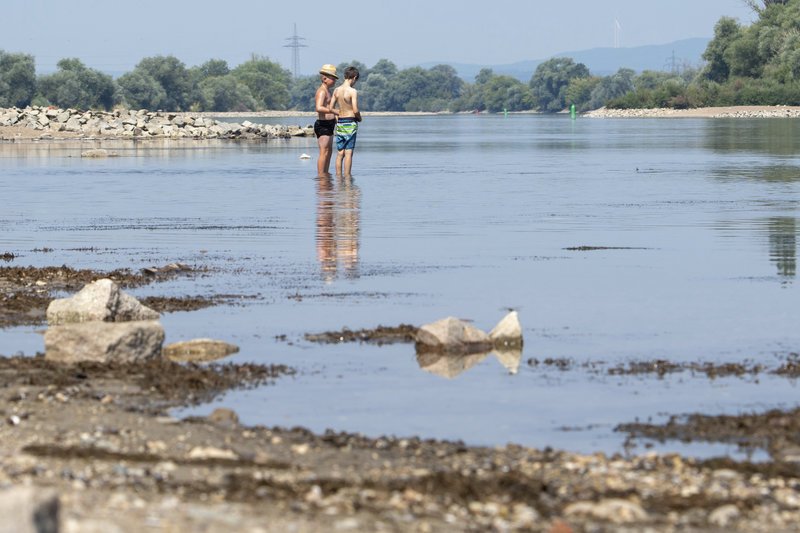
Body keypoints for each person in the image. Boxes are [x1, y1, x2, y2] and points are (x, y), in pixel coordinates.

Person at [329, 66, 362, 178]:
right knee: (348, 153)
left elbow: (330, 108)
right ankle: (347, 177)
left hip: (340, 122)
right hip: (350, 122)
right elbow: (355, 109)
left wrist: (339, 113)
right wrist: (359, 118)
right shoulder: (352, 91)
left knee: (340, 153)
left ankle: (338, 178)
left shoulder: (336, 90)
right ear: (354, 77)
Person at [314, 64, 340, 178]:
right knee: (323, 151)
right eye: (332, 78)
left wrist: (336, 118)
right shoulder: (322, 91)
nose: (334, 81)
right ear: (324, 78)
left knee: (329, 151)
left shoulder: (328, 91)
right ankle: (321, 175)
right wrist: (334, 111)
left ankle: (326, 173)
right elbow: (318, 107)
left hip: (330, 124)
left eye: (335, 79)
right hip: (323, 124)